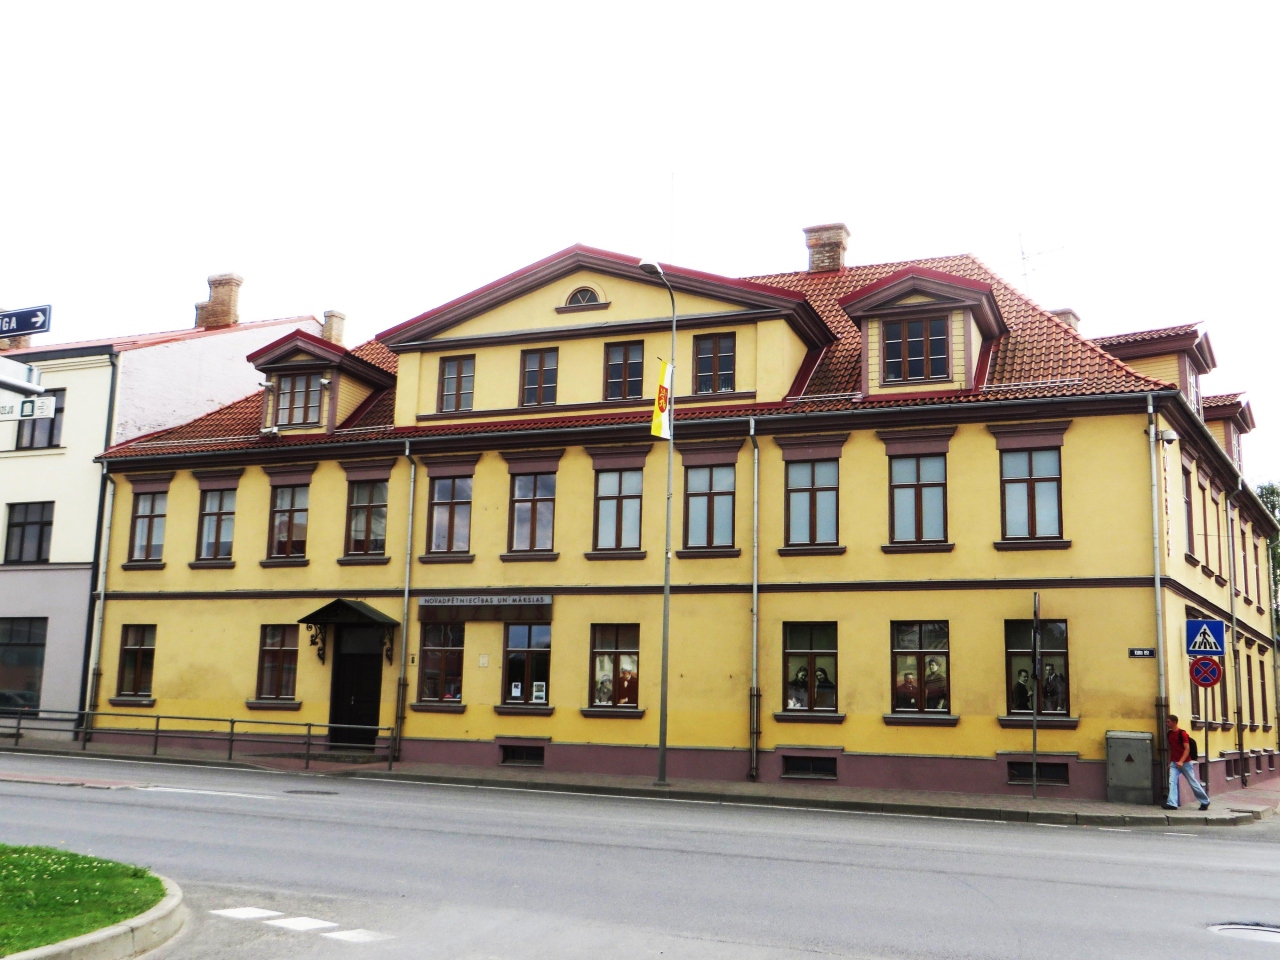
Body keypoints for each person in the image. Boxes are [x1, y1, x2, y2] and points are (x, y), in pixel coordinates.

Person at [1164, 714, 1209, 811]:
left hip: (1186, 763)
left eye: (1168, 722)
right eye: (1166, 721)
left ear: (1174, 722)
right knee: (1172, 782)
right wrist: (1169, 762)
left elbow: (1187, 749)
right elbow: (1171, 749)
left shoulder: (1182, 733)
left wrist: (1181, 761)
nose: (1166, 723)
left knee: (1193, 782)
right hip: (1174, 763)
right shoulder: (1169, 734)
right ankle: (1172, 803)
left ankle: (1205, 801)